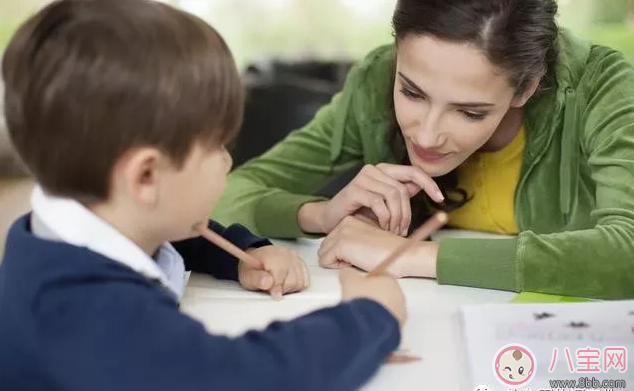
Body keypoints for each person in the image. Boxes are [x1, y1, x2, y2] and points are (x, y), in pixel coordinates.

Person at [0, 1, 407, 390]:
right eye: (217, 146)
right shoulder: (91, 316)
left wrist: (240, 253)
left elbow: (173, 234)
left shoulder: (52, 231)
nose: (228, 162)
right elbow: (247, 376)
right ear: (145, 175)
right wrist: (369, 318)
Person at [213, 0, 634, 300]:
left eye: (469, 112)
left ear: (525, 88)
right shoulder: (375, 79)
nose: (428, 137)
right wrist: (321, 214)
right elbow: (225, 194)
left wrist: (412, 256)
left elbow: (626, 251)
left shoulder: (602, 88)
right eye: (412, 92)